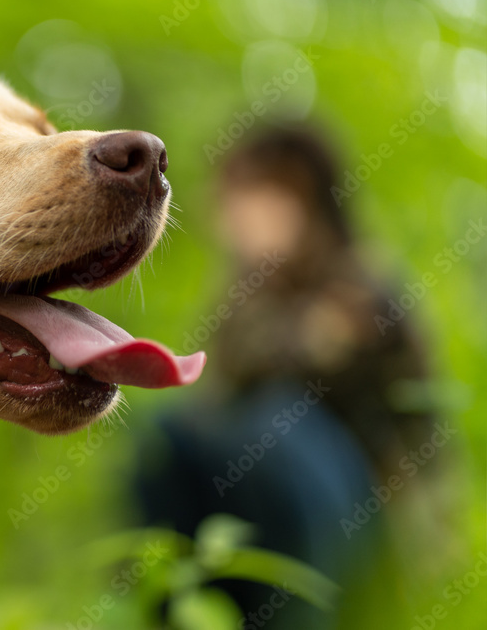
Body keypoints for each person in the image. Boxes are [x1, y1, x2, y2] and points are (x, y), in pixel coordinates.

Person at [133, 126, 435, 628]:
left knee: (274, 421)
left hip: (372, 517)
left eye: (254, 193)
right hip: (270, 506)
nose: (233, 214)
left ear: (300, 199)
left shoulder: (361, 282)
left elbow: (295, 359)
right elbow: (216, 399)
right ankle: (180, 611)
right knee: (170, 432)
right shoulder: (247, 294)